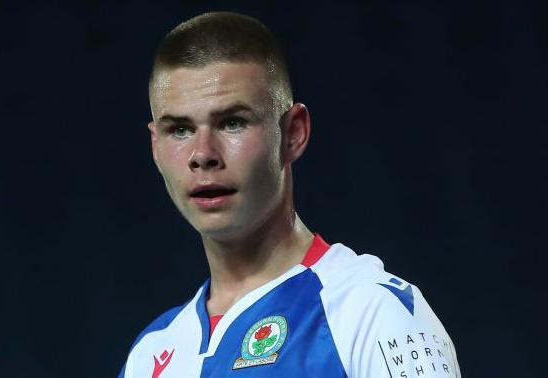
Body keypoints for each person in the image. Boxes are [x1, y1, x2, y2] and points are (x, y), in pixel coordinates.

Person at [119, 11, 460, 378]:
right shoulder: (151, 352)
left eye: (232, 122)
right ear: (155, 146)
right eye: (181, 130)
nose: (203, 154)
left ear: (293, 133)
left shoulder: (371, 311)